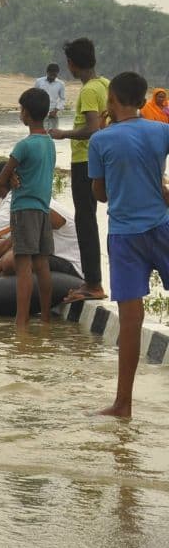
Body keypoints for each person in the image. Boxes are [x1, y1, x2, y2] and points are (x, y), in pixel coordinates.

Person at [87, 71, 169, 417]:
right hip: (162, 227)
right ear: (143, 100)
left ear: (112, 100)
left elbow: (100, 194)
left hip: (124, 236)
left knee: (131, 320)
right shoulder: (161, 131)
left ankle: (123, 403)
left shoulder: (101, 140)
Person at [49, 37, 108, 303]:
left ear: (71, 64)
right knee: (98, 220)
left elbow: (93, 128)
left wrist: (63, 134)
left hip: (86, 161)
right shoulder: (106, 84)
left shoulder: (88, 91)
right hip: (104, 161)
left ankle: (93, 283)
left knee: (86, 220)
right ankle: (96, 280)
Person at [0, 88, 55, 328]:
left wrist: (9, 180)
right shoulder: (49, 143)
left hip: (23, 209)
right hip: (43, 209)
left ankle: (22, 322)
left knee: (24, 266)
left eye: (21, 109)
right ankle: (47, 320)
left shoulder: (23, 146)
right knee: (42, 264)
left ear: (26, 114)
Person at [0, 197, 83, 285]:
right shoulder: (30, 205)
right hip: (50, 256)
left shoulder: (43, 209)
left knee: (12, 259)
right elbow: (7, 244)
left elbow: (14, 249)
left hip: (70, 264)